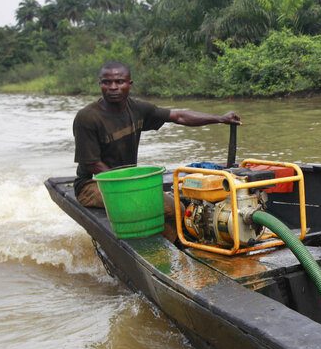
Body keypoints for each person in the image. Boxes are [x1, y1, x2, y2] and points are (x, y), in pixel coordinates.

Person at [73, 61, 241, 238]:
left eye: (119, 82)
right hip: (93, 184)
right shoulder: (87, 117)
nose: (113, 87)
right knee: (143, 206)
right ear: (100, 84)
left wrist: (220, 118)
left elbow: (179, 116)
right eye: (107, 82)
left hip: (129, 180)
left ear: (129, 84)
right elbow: (92, 164)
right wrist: (127, 186)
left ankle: (175, 244)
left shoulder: (137, 109)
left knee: (177, 208)